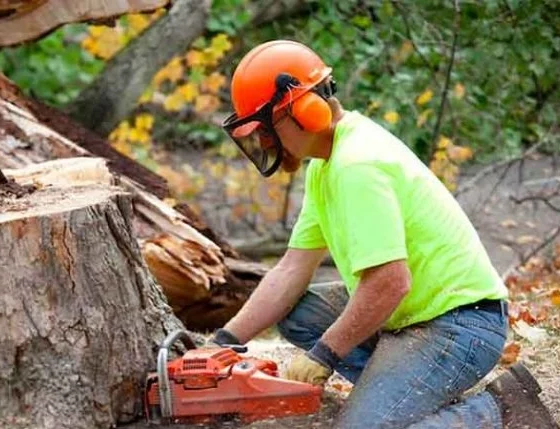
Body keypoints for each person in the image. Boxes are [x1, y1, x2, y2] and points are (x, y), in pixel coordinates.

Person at [213, 40, 558, 429]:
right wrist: (223, 341)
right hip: (412, 313)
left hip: (461, 324)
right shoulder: (325, 164)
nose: (262, 143)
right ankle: (405, 396)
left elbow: (390, 283)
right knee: (297, 311)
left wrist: (324, 355)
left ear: (304, 111)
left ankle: (501, 410)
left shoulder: (357, 165)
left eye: (266, 130)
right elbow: (291, 269)